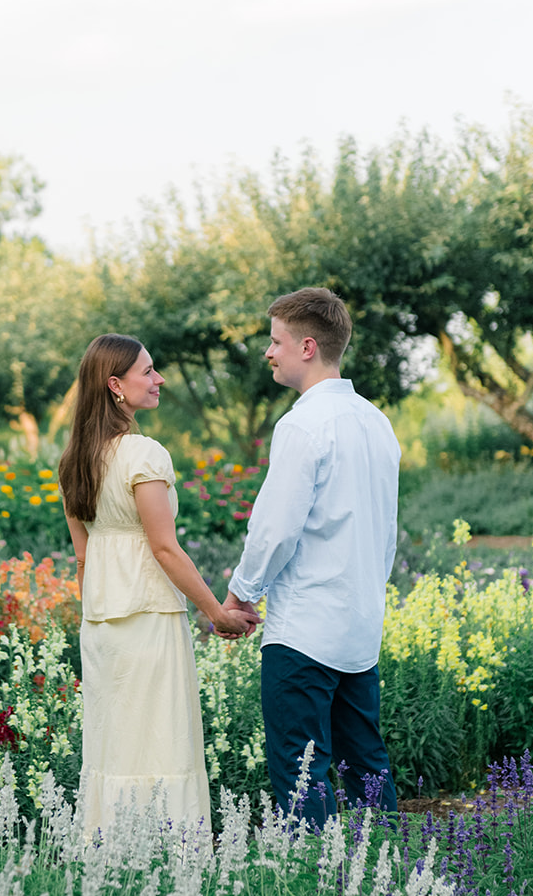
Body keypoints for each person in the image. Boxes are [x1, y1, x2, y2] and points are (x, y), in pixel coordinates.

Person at [59, 334, 249, 842]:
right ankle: (168, 850)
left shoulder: (75, 460)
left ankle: (109, 848)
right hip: (148, 616)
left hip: (101, 621)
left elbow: (83, 556)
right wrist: (216, 612)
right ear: (116, 385)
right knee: (162, 740)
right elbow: (164, 548)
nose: (159, 378)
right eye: (149, 371)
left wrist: (96, 611)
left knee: (114, 743)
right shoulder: (143, 454)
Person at [222, 288, 399, 826]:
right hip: (360, 627)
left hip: (304, 632)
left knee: (301, 771)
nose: (267, 353)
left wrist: (240, 594)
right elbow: (385, 531)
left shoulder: (302, 424)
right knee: (367, 764)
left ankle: (312, 886)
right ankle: (393, 878)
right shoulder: (377, 423)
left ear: (305, 346)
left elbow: (275, 529)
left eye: (274, 341)